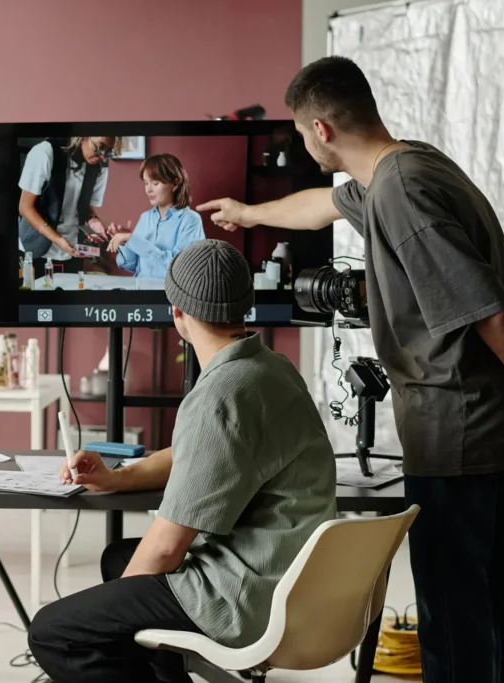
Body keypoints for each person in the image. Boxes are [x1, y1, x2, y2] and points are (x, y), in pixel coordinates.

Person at [197, 56, 504, 683]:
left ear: (320, 129)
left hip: (457, 429)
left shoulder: (399, 191)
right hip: (494, 429)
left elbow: (488, 310)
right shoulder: (406, 168)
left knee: (454, 613)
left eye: (300, 132)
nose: (302, 141)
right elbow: (324, 204)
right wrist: (249, 213)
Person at [27, 240, 337, 683]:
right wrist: (116, 478)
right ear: (246, 306)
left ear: (178, 314)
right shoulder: (272, 369)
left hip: (246, 597)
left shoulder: (220, 395)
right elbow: (201, 452)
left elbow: (166, 548)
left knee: (57, 633)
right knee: (120, 558)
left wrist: (112, 611)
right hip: (297, 581)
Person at [17, 136, 119, 277]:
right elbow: (25, 207)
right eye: (98, 148)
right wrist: (58, 239)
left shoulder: (100, 166)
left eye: (107, 151)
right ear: (83, 137)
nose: (102, 156)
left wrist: (93, 220)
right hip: (35, 249)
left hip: (71, 251)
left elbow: (83, 206)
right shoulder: (45, 153)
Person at [108, 153, 205, 280]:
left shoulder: (191, 220)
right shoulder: (145, 217)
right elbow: (131, 265)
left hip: (170, 295)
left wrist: (134, 240)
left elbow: (180, 268)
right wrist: (126, 243)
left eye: (155, 183)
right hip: (140, 291)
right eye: (146, 183)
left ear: (175, 184)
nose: (148, 190)